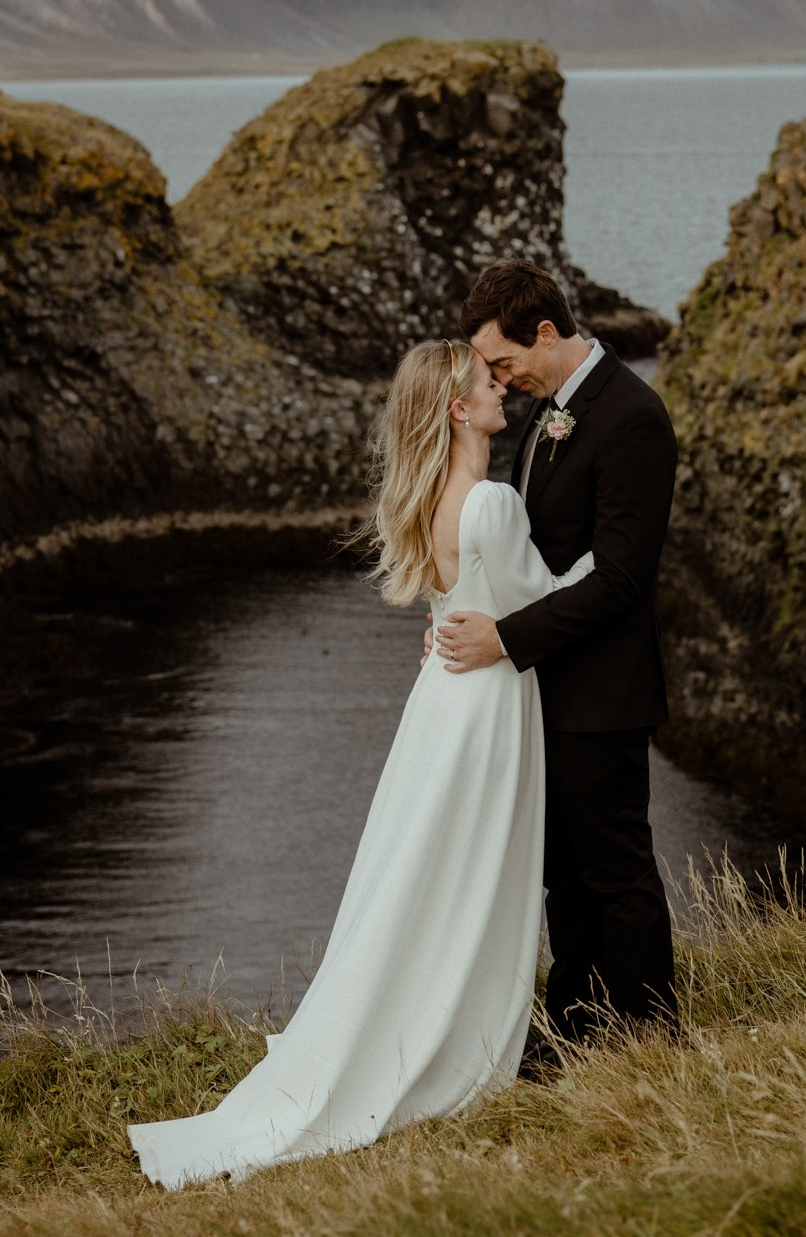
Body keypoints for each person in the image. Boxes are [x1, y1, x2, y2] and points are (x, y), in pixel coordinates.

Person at [126, 338, 591, 1189]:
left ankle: (420, 1018)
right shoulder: (487, 501)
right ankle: (459, 1039)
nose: (501, 389)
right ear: (457, 408)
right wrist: (611, 560)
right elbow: (546, 597)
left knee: (427, 872)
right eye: (487, 383)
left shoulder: (439, 497)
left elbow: (468, 599)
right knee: (475, 874)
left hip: (445, 700)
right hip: (485, 704)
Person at [435, 259, 680, 1059]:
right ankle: (576, 1028)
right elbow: (527, 555)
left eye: (504, 362)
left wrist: (504, 639)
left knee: (616, 870)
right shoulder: (546, 415)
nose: (500, 380)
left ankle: (649, 1033)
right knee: (563, 876)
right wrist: (469, 610)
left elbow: (620, 578)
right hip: (546, 686)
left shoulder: (632, 416)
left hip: (605, 690)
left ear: (546, 332)